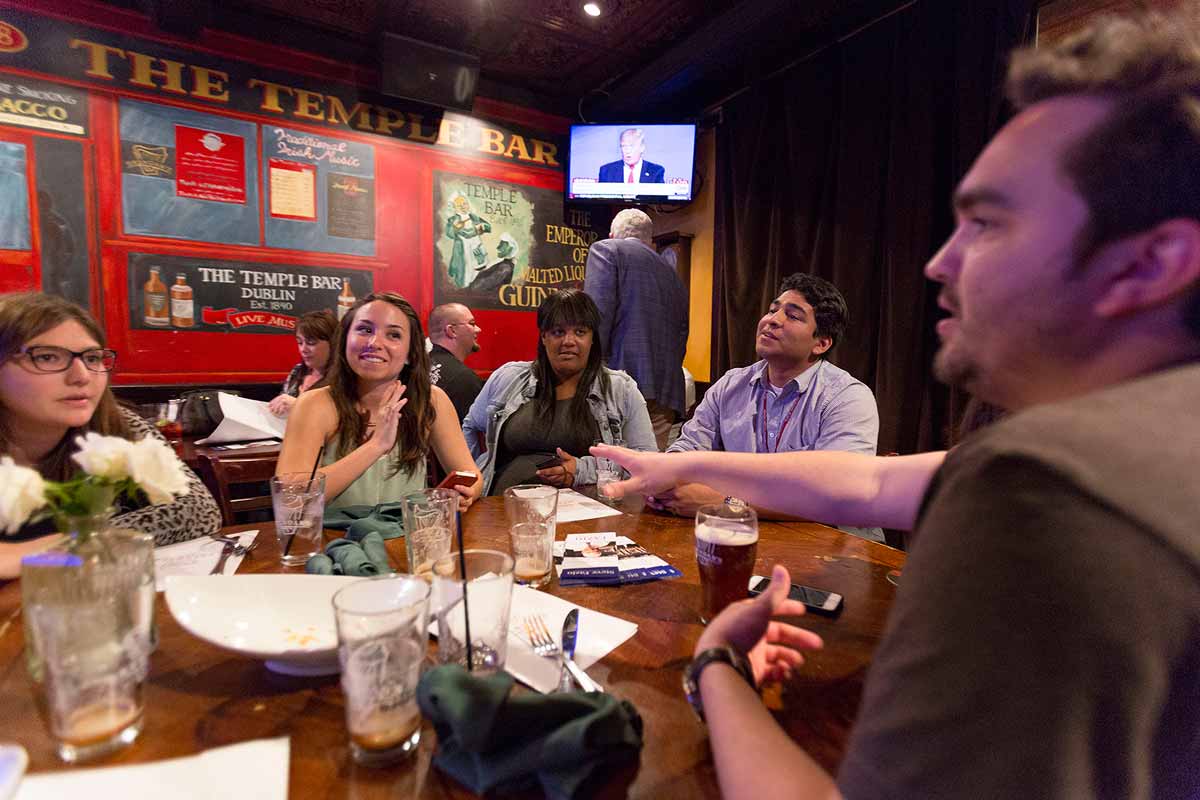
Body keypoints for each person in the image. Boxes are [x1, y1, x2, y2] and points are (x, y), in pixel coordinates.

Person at [597, 8, 1200, 797]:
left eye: (987, 223)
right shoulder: (1155, 437)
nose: (939, 262)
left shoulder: (1045, 484)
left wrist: (716, 666)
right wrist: (671, 463)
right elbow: (874, 484)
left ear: (1149, 264)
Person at [0, 293, 221, 578]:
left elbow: (198, 512)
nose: (81, 376)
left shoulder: (118, 425)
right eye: (47, 357)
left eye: (92, 358)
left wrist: (69, 545)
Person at [662, 273, 880, 527]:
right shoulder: (730, 385)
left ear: (820, 343)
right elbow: (688, 447)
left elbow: (839, 497)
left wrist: (728, 503)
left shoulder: (847, 397)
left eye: (793, 315)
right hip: (744, 531)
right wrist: (667, 476)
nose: (772, 320)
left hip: (831, 539)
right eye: (772, 310)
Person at [276, 292, 481, 511]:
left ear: (410, 353)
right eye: (365, 330)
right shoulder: (314, 404)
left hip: (406, 537)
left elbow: (473, 477)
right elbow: (291, 499)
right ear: (345, 339)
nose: (375, 342)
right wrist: (376, 446)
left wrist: (465, 494)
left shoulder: (431, 400)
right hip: (333, 540)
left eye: (393, 335)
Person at [462, 289, 657, 496]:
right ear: (544, 337)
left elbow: (647, 462)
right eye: (558, 332)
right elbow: (471, 425)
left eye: (580, 332)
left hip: (591, 513)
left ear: (592, 339)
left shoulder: (621, 389)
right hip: (502, 508)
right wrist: (472, 480)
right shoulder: (508, 377)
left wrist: (581, 470)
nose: (568, 341)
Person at [585, 208, 689, 450]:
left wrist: (587, 377)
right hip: (666, 389)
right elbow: (682, 334)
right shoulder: (673, 275)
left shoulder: (607, 250)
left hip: (617, 381)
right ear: (649, 240)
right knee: (648, 472)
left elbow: (597, 318)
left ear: (613, 234)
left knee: (607, 470)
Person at [268, 309, 336, 417]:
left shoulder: (342, 380)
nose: (303, 349)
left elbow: (341, 421)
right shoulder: (298, 370)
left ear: (333, 343)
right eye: (300, 342)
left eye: (311, 342)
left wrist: (298, 406)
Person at [427, 302, 484, 422]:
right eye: (472, 324)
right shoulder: (464, 379)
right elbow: (469, 435)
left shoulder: (418, 367)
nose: (478, 329)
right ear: (452, 331)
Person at [444, 194, 491, 288]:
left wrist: (480, 227)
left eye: (464, 204)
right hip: (463, 250)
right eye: (459, 205)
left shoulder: (474, 217)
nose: (463, 207)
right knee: (464, 271)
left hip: (476, 247)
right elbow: (449, 233)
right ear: (455, 208)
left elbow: (488, 227)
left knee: (479, 269)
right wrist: (455, 228)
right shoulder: (453, 219)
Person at [598, 129, 665, 184]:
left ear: (642, 147)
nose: (627, 151)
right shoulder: (606, 171)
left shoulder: (656, 171)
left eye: (631, 146)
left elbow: (660, 199)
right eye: (624, 146)